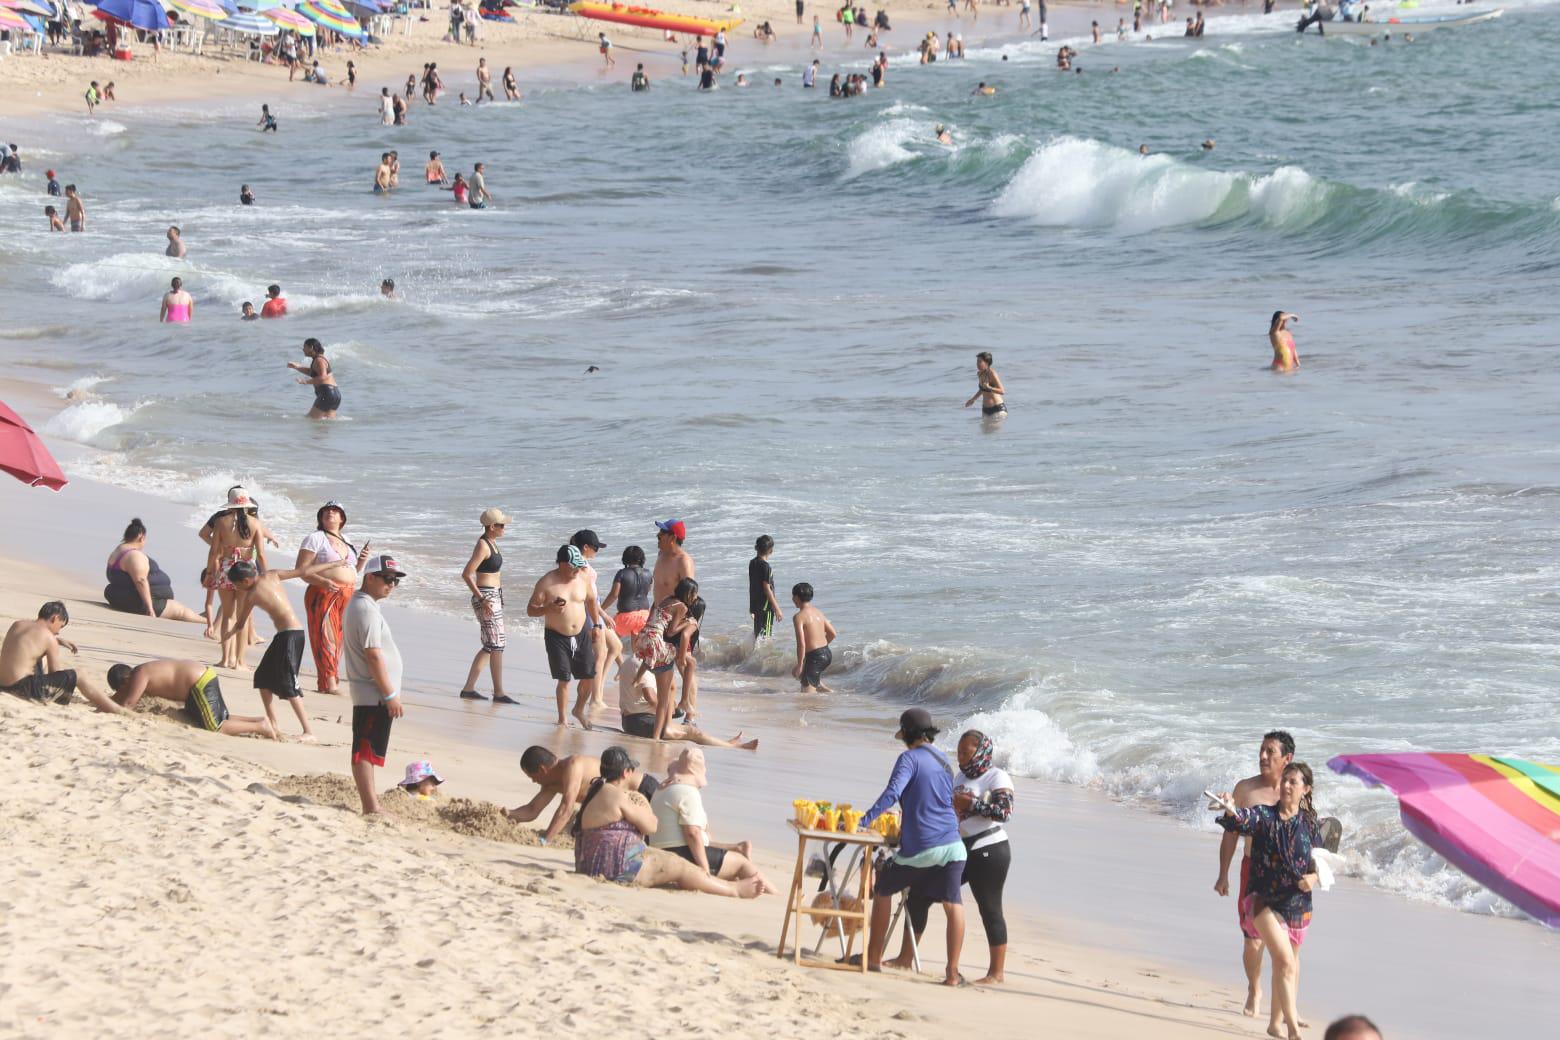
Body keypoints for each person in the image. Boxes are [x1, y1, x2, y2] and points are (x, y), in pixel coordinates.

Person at [890, 731, 1013, 984]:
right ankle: (904, 958)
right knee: (920, 893)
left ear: (980, 753)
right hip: (958, 848)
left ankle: (996, 973)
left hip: (990, 849)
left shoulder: (996, 776)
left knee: (989, 907)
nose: (961, 757)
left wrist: (970, 805)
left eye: (966, 753)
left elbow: (1004, 812)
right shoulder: (959, 777)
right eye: (958, 752)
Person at [1214, 762, 1322, 1040]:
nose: (1286, 786)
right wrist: (1229, 806)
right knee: (1285, 961)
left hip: (1298, 902)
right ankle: (1294, 1031)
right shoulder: (1263, 816)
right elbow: (1240, 819)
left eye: (1293, 782)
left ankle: (1275, 1023)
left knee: (1288, 964)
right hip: (1261, 899)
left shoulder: (1310, 823)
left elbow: (1321, 861)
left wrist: (1313, 878)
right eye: (1284, 780)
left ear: (1305, 789)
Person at [861, 708, 966, 984]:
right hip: (954, 846)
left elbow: (893, 792)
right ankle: (952, 973)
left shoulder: (908, 758)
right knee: (953, 903)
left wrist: (865, 819)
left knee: (883, 888)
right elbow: (943, 801)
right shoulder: (944, 761)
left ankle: (872, 960)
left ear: (907, 734)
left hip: (922, 847)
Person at [573, 747, 767, 896]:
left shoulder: (596, 791)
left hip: (590, 863)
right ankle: (734, 890)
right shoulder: (620, 796)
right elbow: (651, 826)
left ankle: (730, 885)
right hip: (614, 867)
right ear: (626, 773)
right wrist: (643, 803)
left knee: (668, 860)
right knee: (680, 866)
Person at [1214, 730, 1296, 1018]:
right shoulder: (1246, 790)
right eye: (1261, 750)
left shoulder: (1297, 790)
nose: (1262, 756)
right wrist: (1223, 874)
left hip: (1287, 875)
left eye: (1270, 752)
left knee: (1289, 941)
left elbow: (1309, 834)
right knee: (1253, 940)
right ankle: (1254, 987)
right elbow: (1230, 835)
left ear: (1287, 758)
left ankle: (1287, 1006)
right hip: (1254, 872)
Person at [221, 557, 335, 741]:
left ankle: (309, 732)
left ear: (246, 581)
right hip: (285, 636)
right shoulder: (272, 575)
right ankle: (272, 722)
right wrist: (332, 564)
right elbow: (303, 571)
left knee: (290, 685)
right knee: (262, 677)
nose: (237, 589)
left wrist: (228, 634)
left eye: (237, 585)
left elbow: (241, 623)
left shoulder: (251, 596)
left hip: (291, 636)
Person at [649, 748, 772, 886]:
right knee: (741, 864)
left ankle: (736, 849)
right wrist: (705, 872)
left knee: (717, 852)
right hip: (678, 854)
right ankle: (774, 895)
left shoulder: (662, 788)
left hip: (658, 851)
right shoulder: (688, 792)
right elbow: (692, 833)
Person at [343, 554, 408, 814]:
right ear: (370, 578)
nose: (391, 585)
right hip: (374, 693)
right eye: (387, 579)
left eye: (395, 581)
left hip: (374, 692)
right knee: (364, 750)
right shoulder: (365, 609)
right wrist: (390, 694)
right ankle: (371, 806)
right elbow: (373, 655)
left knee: (368, 749)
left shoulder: (365, 605)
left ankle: (372, 804)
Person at [508, 745, 662, 844]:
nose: (534, 781)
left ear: (542, 770)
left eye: (532, 777)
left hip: (643, 790)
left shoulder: (573, 765)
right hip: (623, 804)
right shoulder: (551, 784)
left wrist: (545, 839)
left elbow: (566, 808)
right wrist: (507, 814)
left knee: (659, 840)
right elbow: (532, 810)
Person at [296, 501, 369, 696]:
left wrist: (360, 561)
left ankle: (328, 681)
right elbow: (302, 571)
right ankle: (330, 682)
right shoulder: (315, 538)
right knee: (325, 637)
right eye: (327, 510)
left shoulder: (347, 540)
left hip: (347, 593)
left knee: (339, 639)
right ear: (320, 517)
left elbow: (351, 570)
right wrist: (323, 582)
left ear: (342, 518)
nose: (331, 512)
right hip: (324, 592)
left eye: (335, 511)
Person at [526, 544, 604, 727]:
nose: (577, 570)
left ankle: (578, 709)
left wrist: (597, 625)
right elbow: (530, 610)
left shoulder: (583, 577)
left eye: (579, 565)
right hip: (556, 635)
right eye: (573, 566)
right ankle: (562, 719)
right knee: (564, 679)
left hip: (582, 632)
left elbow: (592, 602)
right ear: (562, 564)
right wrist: (548, 608)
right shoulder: (546, 583)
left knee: (588, 676)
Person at [0, 602, 122, 713]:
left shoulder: (18, 624)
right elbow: (55, 673)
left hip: (4, 685)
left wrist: (57, 641)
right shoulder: (49, 638)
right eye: (61, 626)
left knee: (38, 656)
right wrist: (53, 642)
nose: (58, 632)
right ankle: (115, 709)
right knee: (80, 674)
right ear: (55, 618)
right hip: (21, 689)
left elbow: (30, 643)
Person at [108, 658, 275, 738]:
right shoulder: (138, 673)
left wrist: (107, 707)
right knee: (220, 717)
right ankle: (258, 720)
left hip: (198, 682)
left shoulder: (139, 674)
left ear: (125, 681)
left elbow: (128, 704)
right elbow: (124, 698)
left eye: (122, 688)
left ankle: (260, 727)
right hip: (198, 681)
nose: (125, 691)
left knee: (215, 726)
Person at [617, 655, 758, 748]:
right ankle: (733, 746)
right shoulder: (642, 665)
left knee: (684, 727)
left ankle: (726, 744)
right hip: (640, 722)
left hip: (631, 720)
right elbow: (651, 698)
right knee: (692, 732)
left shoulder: (631, 660)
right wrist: (670, 711)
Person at [202, 486, 272, 668]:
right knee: (242, 616)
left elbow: (213, 551)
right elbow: (262, 554)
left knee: (228, 615)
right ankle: (240, 662)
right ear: (247, 504)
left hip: (225, 568)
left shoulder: (221, 522)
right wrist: (267, 576)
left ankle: (225, 659)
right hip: (247, 570)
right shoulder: (255, 523)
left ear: (231, 504)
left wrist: (210, 573)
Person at [459, 508, 516, 703]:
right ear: (492, 527)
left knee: (490, 646)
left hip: (493, 596)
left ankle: (469, 688)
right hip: (486, 596)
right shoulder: (483, 545)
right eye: (502, 525)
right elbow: (467, 573)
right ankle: (499, 692)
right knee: (497, 645)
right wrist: (482, 599)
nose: (504, 528)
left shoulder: (492, 543)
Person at [632, 576, 699, 740]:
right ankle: (682, 704)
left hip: (644, 637)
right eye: (694, 594)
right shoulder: (681, 607)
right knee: (664, 698)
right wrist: (690, 622)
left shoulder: (665, 599)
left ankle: (638, 677)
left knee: (678, 664)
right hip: (656, 640)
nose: (695, 597)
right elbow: (671, 632)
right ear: (688, 593)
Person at [104, 518, 205, 624]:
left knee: (180, 608)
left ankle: (200, 616)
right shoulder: (134, 556)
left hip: (130, 597)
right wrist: (150, 608)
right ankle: (209, 621)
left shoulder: (118, 550)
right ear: (141, 537)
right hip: (140, 602)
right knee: (180, 611)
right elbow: (140, 580)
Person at [650, 519, 698, 726]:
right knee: (662, 664)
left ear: (672, 537)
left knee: (684, 664)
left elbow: (690, 594)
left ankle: (690, 715)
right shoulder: (661, 555)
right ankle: (669, 707)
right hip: (659, 617)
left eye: (661, 534)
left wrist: (683, 627)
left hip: (678, 620)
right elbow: (658, 588)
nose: (657, 537)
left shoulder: (683, 561)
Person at [571, 529, 621, 710]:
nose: (597, 551)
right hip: (590, 611)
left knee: (616, 646)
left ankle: (596, 690)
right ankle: (596, 698)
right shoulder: (580, 565)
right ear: (585, 547)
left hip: (594, 608)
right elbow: (587, 596)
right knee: (600, 654)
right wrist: (603, 615)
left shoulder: (583, 562)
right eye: (595, 548)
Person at [790, 582, 836, 692]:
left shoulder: (798, 617)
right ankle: (821, 687)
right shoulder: (818, 612)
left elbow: (801, 644)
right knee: (795, 672)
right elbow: (833, 634)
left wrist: (800, 665)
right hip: (827, 653)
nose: (792, 599)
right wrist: (820, 649)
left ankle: (817, 690)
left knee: (806, 699)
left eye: (793, 596)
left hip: (815, 658)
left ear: (796, 597)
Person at [602, 544, 653, 640]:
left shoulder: (622, 573)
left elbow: (614, 595)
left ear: (625, 559)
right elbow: (648, 590)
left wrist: (601, 609)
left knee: (608, 640)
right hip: (645, 616)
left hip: (626, 618)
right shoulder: (648, 573)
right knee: (637, 646)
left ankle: (615, 655)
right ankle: (633, 655)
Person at [287, 338, 340, 419]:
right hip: (334, 394)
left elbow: (323, 377)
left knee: (310, 420)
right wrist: (296, 367)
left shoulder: (319, 360)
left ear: (311, 347)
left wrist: (305, 381)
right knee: (326, 423)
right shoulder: (319, 359)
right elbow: (312, 372)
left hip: (327, 393)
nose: (303, 349)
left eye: (304, 347)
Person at [748, 535, 782, 640]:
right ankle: (761, 656)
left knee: (758, 632)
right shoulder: (766, 566)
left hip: (756, 604)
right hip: (766, 607)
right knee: (766, 636)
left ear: (756, 548)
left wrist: (752, 606)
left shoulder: (752, 563)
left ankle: (752, 654)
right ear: (771, 550)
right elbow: (767, 589)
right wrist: (777, 608)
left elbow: (752, 584)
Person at [964, 351, 1006, 417]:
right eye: (977, 361)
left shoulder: (992, 373)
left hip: (997, 409)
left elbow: (1002, 391)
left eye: (980, 361)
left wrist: (990, 388)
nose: (977, 364)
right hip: (985, 410)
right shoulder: (979, 373)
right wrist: (973, 399)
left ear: (986, 362)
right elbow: (982, 389)